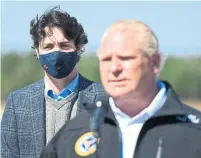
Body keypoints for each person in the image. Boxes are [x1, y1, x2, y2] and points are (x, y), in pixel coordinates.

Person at [40, 20, 201, 158]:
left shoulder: (194, 131)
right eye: (106, 59)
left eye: (126, 58)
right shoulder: (75, 131)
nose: (114, 68)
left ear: (155, 62)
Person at [1, 6, 105, 158]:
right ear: (37, 51)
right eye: (48, 46)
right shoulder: (18, 103)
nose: (56, 53)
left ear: (79, 48)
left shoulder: (104, 99)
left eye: (64, 45)